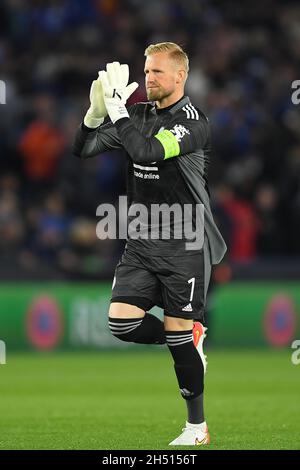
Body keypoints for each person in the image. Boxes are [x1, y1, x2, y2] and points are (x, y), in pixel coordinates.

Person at [73, 42, 226, 446]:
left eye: (157, 72)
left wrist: (118, 110)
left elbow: (146, 151)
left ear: (180, 77)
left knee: (177, 335)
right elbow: (83, 148)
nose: (148, 79)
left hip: (185, 242)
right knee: (120, 323)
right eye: (146, 71)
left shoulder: (194, 124)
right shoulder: (137, 114)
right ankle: (187, 339)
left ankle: (197, 428)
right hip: (141, 239)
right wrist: (93, 116)